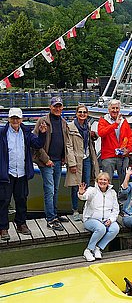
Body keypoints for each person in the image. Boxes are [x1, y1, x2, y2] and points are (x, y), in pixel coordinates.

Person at [0, 108, 47, 240]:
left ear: (21, 119)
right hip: (7, 173)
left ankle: (21, 223)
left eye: (17, 118)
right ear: (9, 119)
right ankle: (3, 228)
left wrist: (42, 134)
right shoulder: (2, 133)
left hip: (22, 172)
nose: (15, 120)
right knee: (4, 201)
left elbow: (37, 144)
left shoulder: (26, 132)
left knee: (21, 199)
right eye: (13, 118)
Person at [33, 96, 69, 231]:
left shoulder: (64, 122)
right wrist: (45, 159)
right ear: (50, 107)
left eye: (59, 106)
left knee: (55, 189)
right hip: (46, 161)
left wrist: (64, 156)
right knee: (49, 190)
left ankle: (54, 214)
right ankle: (50, 219)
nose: (57, 108)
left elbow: (65, 141)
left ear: (62, 108)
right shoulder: (42, 121)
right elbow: (35, 142)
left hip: (58, 161)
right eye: (55, 106)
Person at [65, 105, 100, 222]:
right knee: (75, 186)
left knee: (87, 185)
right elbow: (68, 146)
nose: (82, 114)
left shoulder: (88, 126)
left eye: (84, 112)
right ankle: (75, 210)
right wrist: (72, 163)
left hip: (87, 158)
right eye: (80, 112)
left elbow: (88, 143)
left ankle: (87, 209)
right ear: (76, 113)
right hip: (76, 160)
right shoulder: (70, 127)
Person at [78, 172, 120, 261]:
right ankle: (88, 250)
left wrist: (111, 220)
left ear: (108, 182)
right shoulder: (92, 190)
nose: (102, 181)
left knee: (115, 228)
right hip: (91, 219)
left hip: (106, 220)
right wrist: (81, 193)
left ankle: (98, 248)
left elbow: (116, 209)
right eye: (100, 179)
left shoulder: (112, 193)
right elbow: (85, 196)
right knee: (101, 228)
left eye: (105, 180)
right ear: (97, 181)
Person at [97, 100, 132, 185]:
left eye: (117, 108)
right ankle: (106, 197)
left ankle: (123, 197)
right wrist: (115, 125)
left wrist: (128, 149)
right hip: (108, 157)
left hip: (123, 156)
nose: (115, 110)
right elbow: (101, 133)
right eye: (113, 108)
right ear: (109, 109)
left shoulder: (124, 121)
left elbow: (130, 136)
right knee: (106, 182)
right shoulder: (103, 120)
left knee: (124, 182)